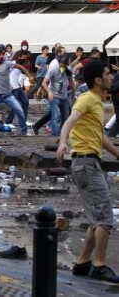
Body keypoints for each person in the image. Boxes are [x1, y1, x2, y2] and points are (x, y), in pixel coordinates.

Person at [56, 60, 119, 283]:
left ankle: (82, 263)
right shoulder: (87, 99)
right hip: (85, 164)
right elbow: (69, 121)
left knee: (96, 217)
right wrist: (63, 142)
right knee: (104, 217)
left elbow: (99, 137)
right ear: (98, 80)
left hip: (89, 163)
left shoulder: (97, 102)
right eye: (108, 74)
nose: (112, 77)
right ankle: (100, 265)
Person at [0, 45, 34, 135]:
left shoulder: (7, 63)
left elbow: (21, 67)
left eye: (2, 54)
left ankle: (24, 131)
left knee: (20, 111)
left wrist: (30, 76)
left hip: (8, 95)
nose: (1, 56)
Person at [42, 55, 74, 136]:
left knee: (65, 117)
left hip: (64, 97)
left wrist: (74, 90)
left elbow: (71, 81)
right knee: (55, 116)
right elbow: (44, 82)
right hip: (54, 96)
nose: (62, 67)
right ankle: (55, 135)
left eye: (64, 66)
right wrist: (49, 92)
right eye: (61, 65)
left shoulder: (68, 70)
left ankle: (62, 134)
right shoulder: (53, 69)